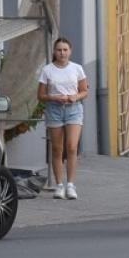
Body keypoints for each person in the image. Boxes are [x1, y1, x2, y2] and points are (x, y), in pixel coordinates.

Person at [37, 37, 89, 200]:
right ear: (54, 52)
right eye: (59, 50)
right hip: (54, 109)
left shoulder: (77, 69)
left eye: (65, 50)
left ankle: (71, 185)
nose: (62, 53)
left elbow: (84, 91)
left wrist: (75, 96)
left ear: (70, 51)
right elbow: (40, 95)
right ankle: (59, 185)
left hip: (73, 109)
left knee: (72, 147)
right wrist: (54, 98)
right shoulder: (48, 70)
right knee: (57, 149)